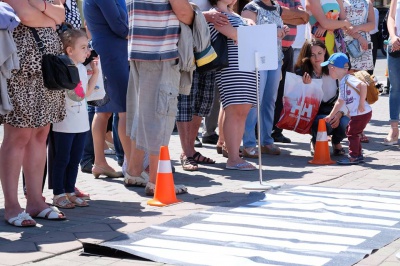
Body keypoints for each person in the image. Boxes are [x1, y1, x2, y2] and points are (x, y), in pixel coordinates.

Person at [0, 0, 67, 227]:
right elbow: (25, 16)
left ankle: (36, 202)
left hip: (47, 69)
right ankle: (11, 206)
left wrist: (43, 9)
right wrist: (49, 16)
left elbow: (62, 13)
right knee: (18, 136)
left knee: (40, 134)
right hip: (20, 67)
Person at [124, 0, 192, 194]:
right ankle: (156, 180)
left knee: (143, 115)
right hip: (160, 52)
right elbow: (184, 13)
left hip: (139, 51)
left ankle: (134, 170)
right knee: (160, 116)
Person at [176, 0, 229, 171]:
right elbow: (178, 13)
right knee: (185, 102)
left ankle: (191, 149)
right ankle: (186, 153)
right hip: (185, 47)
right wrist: (206, 16)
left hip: (207, 48)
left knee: (202, 102)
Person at [207, 0, 257, 170]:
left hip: (247, 66)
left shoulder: (235, 15)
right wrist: (245, 32)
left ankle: (235, 155)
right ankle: (233, 159)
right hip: (231, 68)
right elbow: (233, 34)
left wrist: (245, 30)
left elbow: (246, 33)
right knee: (234, 110)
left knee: (242, 111)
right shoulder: (215, 14)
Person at [51, 28, 97, 209]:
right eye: (83, 47)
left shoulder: (81, 68)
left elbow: (85, 94)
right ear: (70, 50)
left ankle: (70, 190)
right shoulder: (63, 68)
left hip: (81, 124)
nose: (88, 51)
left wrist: (96, 74)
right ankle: (58, 193)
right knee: (62, 159)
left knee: (75, 159)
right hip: (64, 124)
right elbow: (75, 95)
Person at [83, 0, 129, 178]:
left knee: (103, 110)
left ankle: (101, 162)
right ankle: (132, 165)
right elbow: (119, 27)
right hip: (111, 54)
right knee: (122, 110)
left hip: (109, 52)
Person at [241, 0, 288, 158]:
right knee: (254, 102)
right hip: (257, 60)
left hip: (275, 59)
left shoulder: (277, 8)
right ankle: (248, 144)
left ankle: (266, 141)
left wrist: (282, 31)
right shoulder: (251, 7)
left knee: (270, 102)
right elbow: (247, 33)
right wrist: (274, 32)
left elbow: (277, 31)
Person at [294, 39, 349, 155]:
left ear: (324, 51)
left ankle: (336, 142)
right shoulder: (302, 72)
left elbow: (345, 97)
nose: (316, 58)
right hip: (313, 113)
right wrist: (306, 87)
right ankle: (315, 140)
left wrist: (339, 114)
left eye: (319, 53)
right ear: (307, 56)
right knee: (322, 123)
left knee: (346, 123)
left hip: (335, 109)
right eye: (312, 55)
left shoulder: (334, 69)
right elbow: (297, 100)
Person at [322, 53, 372, 165]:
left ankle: (354, 156)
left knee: (352, 133)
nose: (329, 71)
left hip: (361, 113)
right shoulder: (343, 82)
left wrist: (361, 103)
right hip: (359, 114)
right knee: (353, 132)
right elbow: (340, 101)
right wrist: (331, 115)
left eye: (329, 68)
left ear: (332, 68)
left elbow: (363, 85)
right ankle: (358, 155)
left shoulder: (349, 79)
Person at [271, 0, 309, 145]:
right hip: (274, 50)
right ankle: (261, 130)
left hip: (289, 50)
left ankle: (276, 131)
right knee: (269, 93)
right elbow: (273, 14)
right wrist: (293, 15)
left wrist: (283, 15)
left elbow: (304, 18)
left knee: (283, 93)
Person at [384, 0, 400, 146]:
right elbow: (391, 17)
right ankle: (394, 130)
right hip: (395, 46)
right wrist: (393, 36)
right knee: (395, 89)